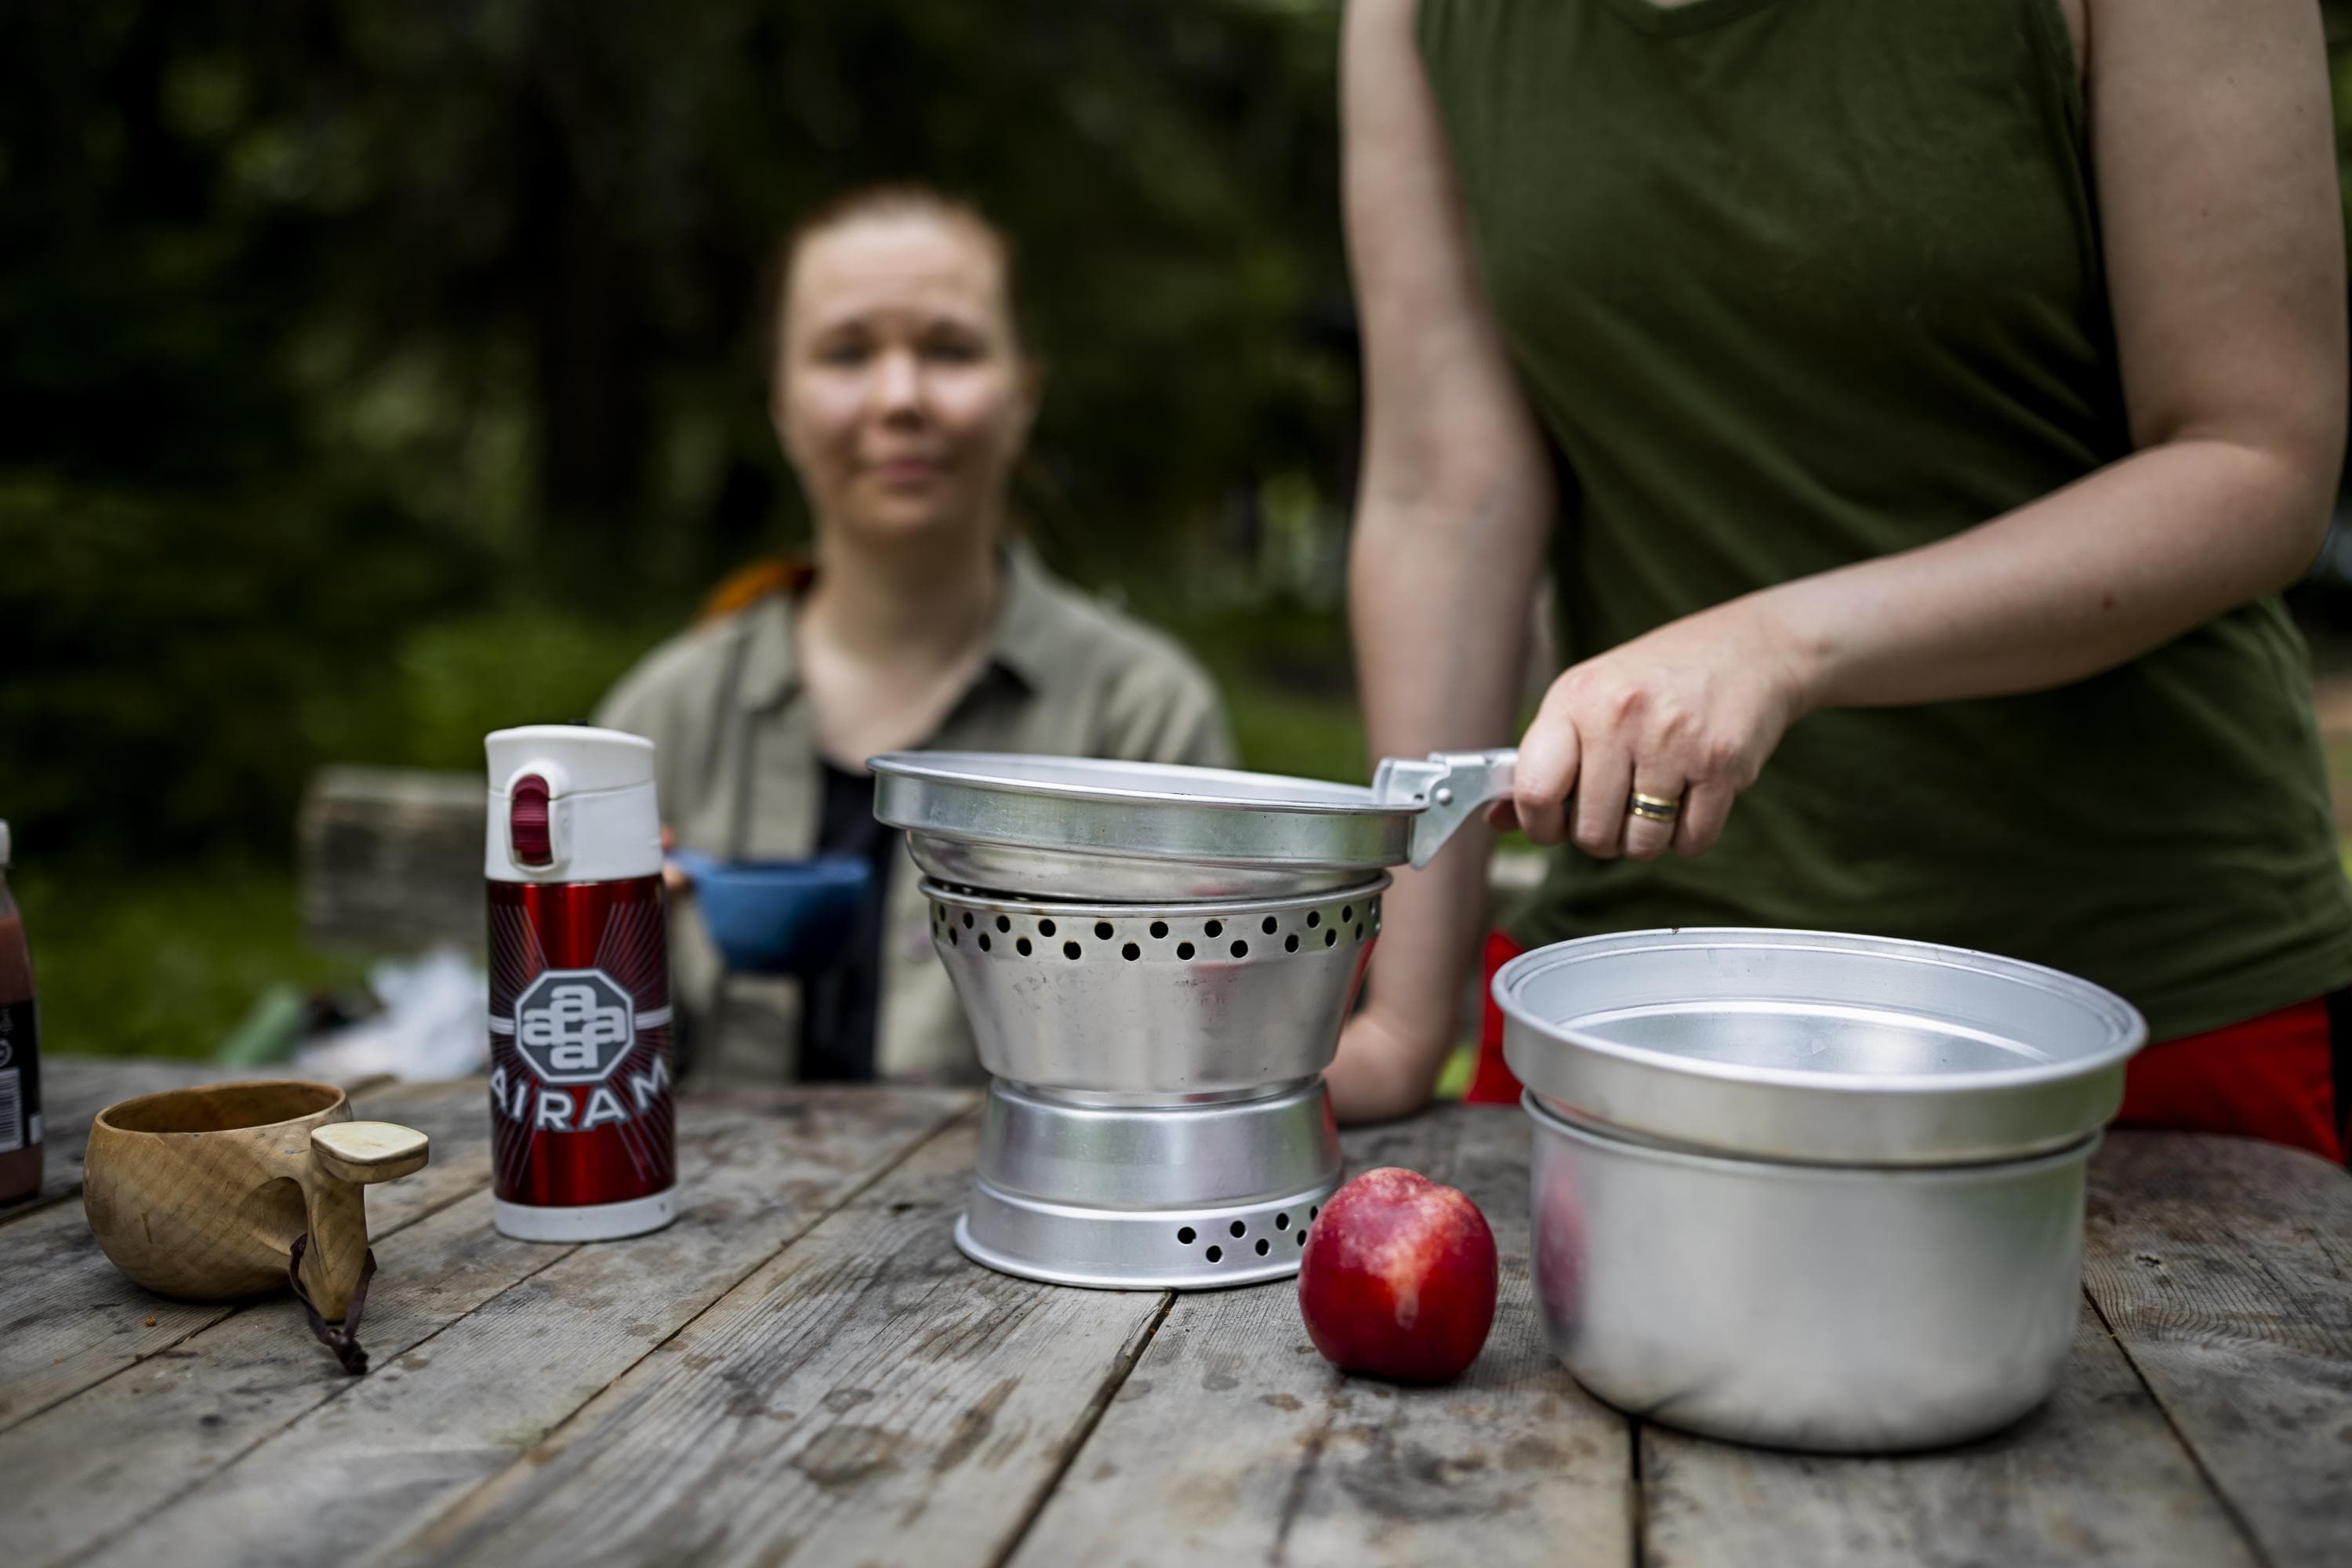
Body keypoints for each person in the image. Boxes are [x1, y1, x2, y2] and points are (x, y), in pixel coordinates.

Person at [1330, 0, 2352, 1163]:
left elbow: (2255, 459)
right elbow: (1441, 490)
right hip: (1624, 1011)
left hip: (2128, 1020)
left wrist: (1778, 647)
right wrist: (1406, 1018)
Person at [597, 184, 1236, 1085]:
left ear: (1024, 392)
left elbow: (1200, 1053)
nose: (900, 397)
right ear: (782, 399)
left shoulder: (1142, 721)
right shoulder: (660, 721)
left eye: (950, 349)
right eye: (847, 352)